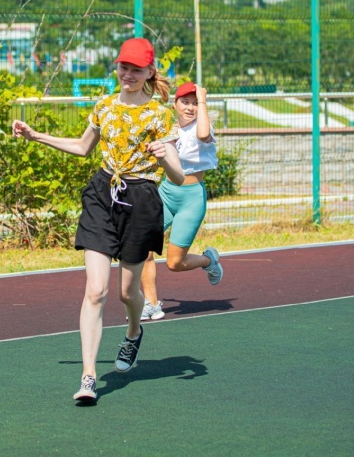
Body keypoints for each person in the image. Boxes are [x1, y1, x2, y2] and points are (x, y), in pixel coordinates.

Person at [11, 37, 184, 403]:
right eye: (124, 67)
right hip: (102, 195)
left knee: (127, 293)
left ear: (149, 73)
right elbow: (81, 147)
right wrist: (35, 136)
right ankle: (88, 376)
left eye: (136, 70)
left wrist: (164, 156)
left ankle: (133, 333)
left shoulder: (159, 115)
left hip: (141, 200)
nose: (128, 74)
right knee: (96, 290)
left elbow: (178, 176)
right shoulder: (104, 106)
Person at [139, 81, 223, 322]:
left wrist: (202, 98)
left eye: (194, 103)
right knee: (144, 247)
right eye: (185, 102)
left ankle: (208, 260)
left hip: (191, 198)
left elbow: (203, 135)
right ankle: (151, 304)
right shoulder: (168, 127)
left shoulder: (203, 125)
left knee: (174, 263)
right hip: (166, 193)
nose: (190, 107)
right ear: (174, 104)